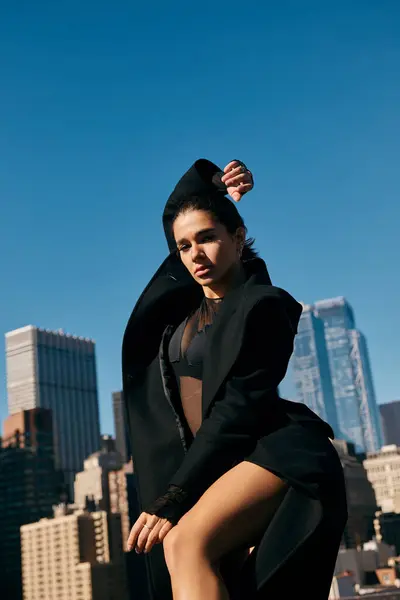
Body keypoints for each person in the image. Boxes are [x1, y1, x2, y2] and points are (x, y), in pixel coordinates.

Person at [122, 159, 347, 600]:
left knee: (187, 542)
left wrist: (175, 495)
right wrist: (217, 183)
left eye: (207, 238)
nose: (195, 254)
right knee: (209, 569)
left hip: (275, 451)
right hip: (222, 460)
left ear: (238, 238)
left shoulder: (264, 307)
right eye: (184, 246)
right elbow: (175, 210)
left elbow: (237, 409)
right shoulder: (180, 308)